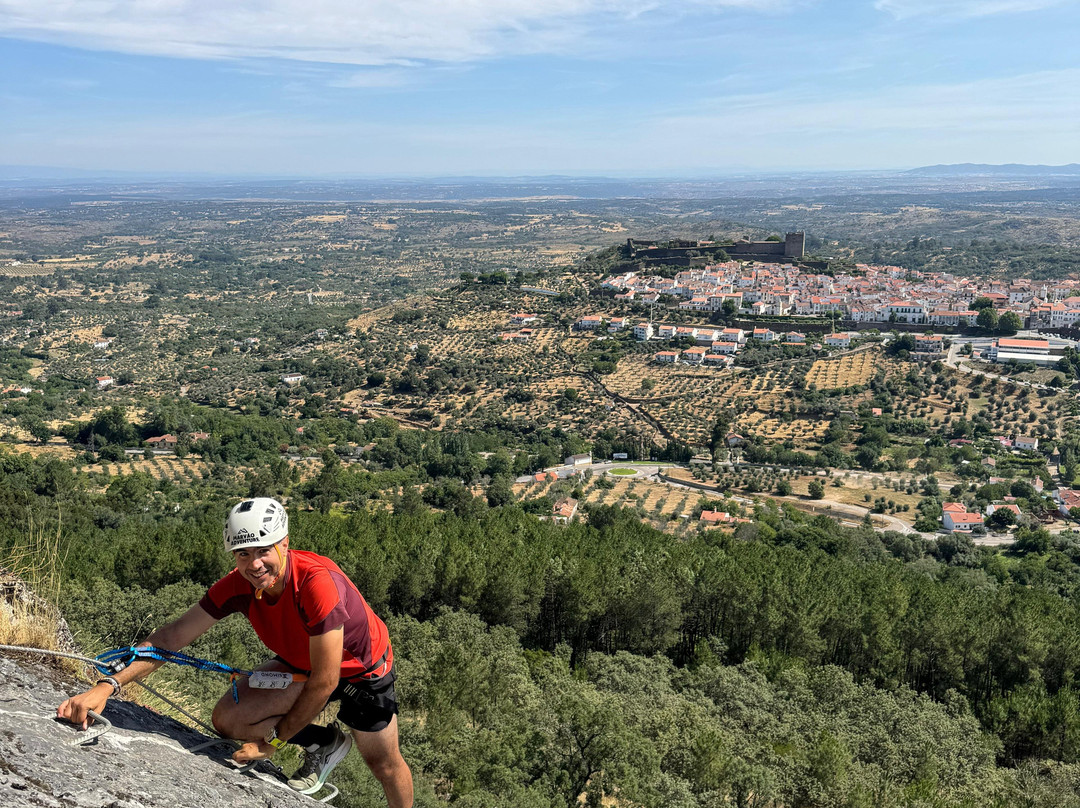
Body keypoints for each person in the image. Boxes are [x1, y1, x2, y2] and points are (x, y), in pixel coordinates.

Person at [57, 497, 413, 808]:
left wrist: (274, 742)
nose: (254, 564)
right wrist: (107, 687)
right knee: (229, 720)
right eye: (243, 553)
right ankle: (323, 743)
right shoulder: (239, 586)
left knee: (383, 764)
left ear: (284, 544)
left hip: (362, 672)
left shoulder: (316, 585)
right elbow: (171, 638)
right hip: (302, 662)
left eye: (263, 550)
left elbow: (326, 680)